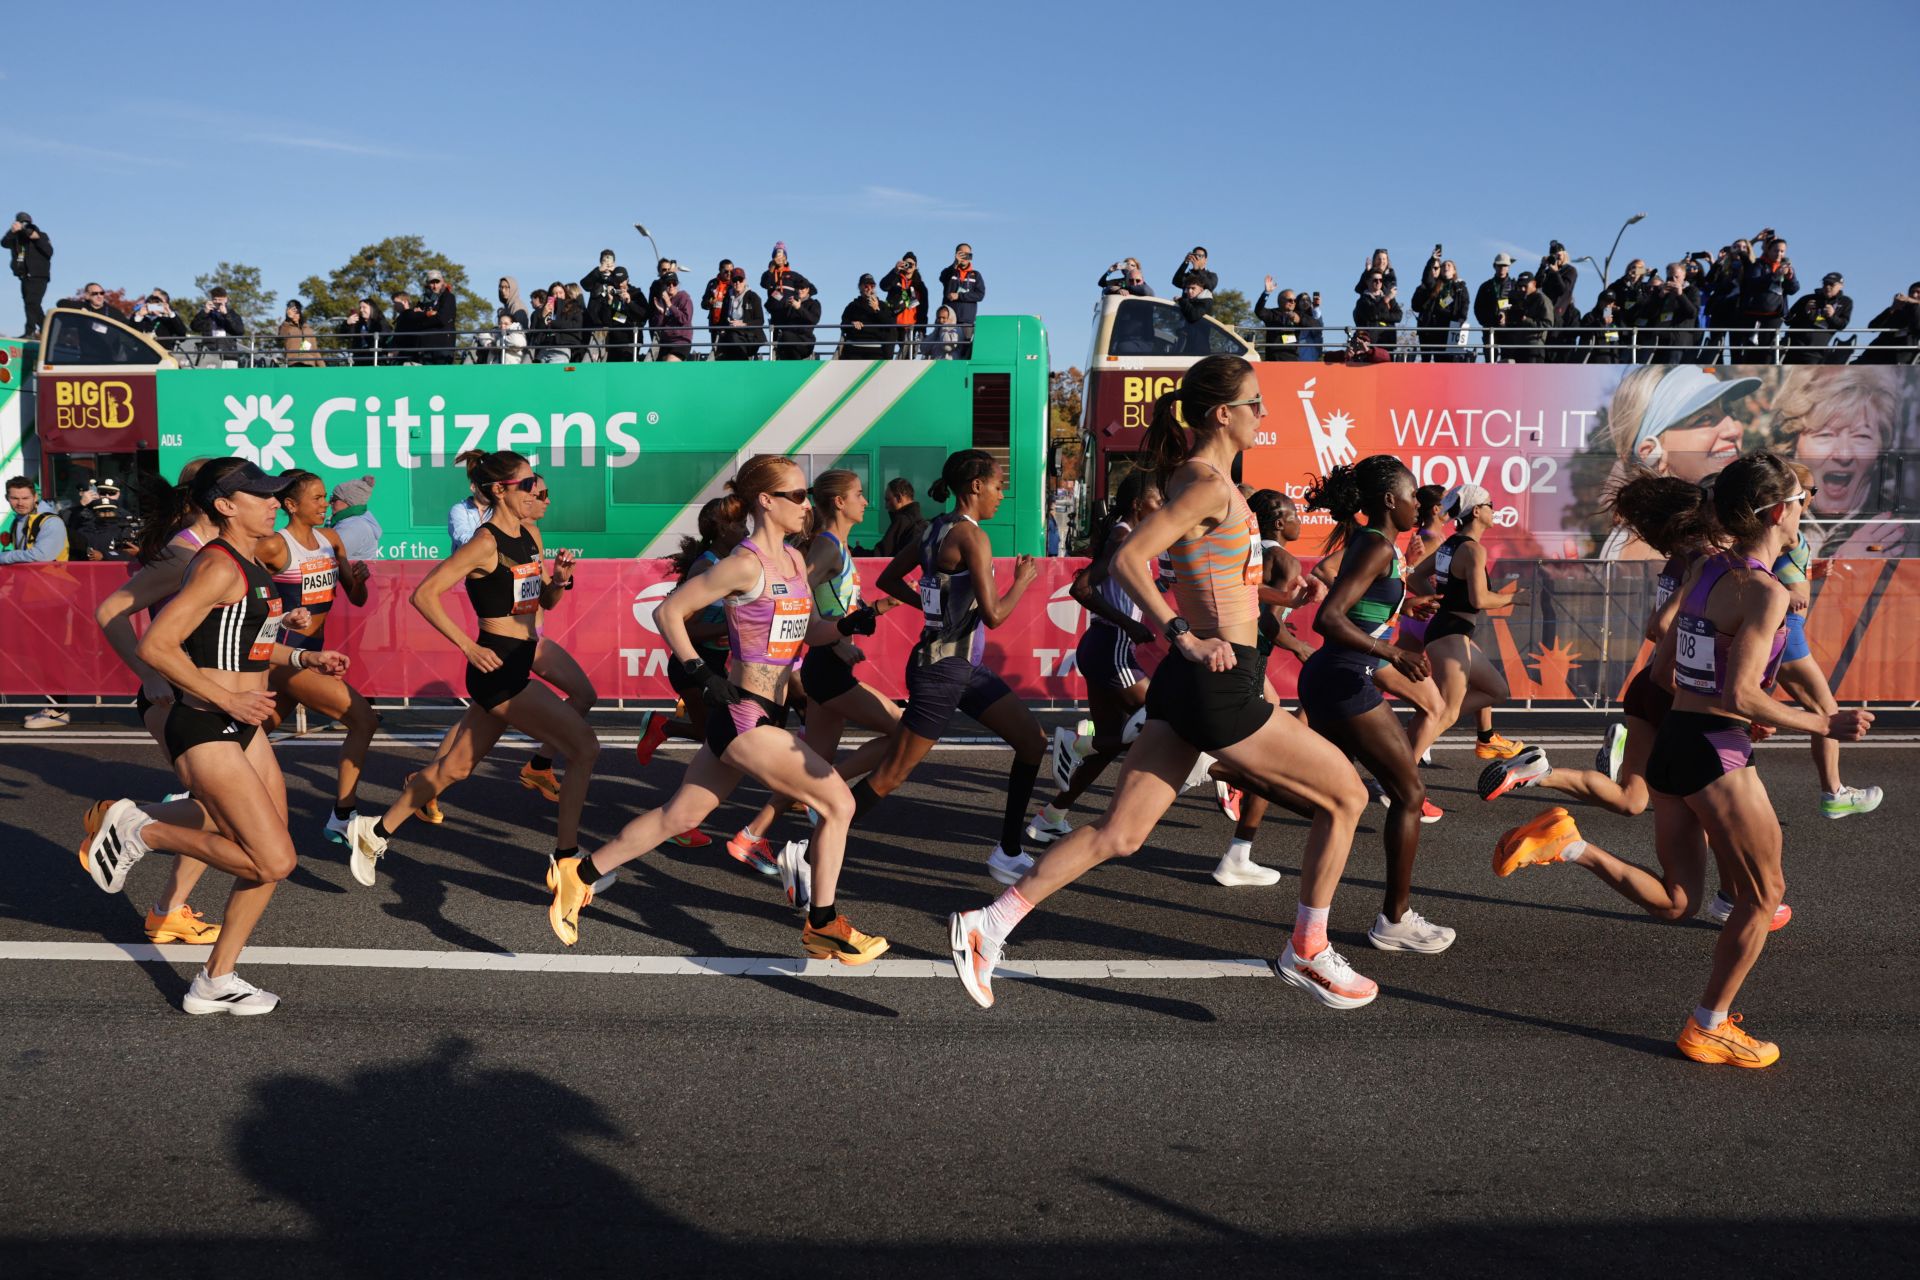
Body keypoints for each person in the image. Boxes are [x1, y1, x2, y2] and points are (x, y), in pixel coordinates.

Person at [946, 356, 1376, 1011]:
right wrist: (1182, 633)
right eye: (1256, 404)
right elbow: (1128, 558)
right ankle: (1309, 949)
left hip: (1192, 680)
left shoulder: (1203, 482)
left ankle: (989, 925)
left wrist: (1281, 594)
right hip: (1215, 680)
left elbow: (1216, 578)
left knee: (1120, 834)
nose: (1265, 415)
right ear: (1223, 415)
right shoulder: (1206, 485)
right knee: (1346, 796)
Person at [1494, 452, 1872, 1069]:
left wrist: (1732, 706)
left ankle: (1567, 844)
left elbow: (1667, 669)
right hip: (1713, 751)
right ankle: (1710, 1025)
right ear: (1778, 512)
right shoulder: (1764, 592)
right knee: (1763, 895)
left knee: (1678, 902)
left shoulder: (1706, 568)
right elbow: (1743, 694)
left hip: (1677, 740)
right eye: (1800, 501)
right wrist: (1820, 722)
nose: (1805, 508)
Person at [545, 455, 889, 963]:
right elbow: (669, 611)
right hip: (742, 712)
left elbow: (810, 631)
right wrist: (699, 673)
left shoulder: (796, 560)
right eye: (796, 496)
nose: (806, 505)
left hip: (769, 712)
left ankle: (581, 875)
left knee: (680, 815)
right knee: (839, 803)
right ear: (766, 502)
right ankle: (822, 924)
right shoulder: (744, 563)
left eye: (807, 494)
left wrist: (849, 623)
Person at [85, 458, 353, 1015]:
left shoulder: (251, 559)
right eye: (262, 496)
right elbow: (157, 644)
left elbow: (245, 642)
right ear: (226, 506)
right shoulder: (215, 564)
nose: (276, 503)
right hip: (204, 719)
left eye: (277, 495)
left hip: (242, 720)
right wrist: (222, 696)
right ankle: (143, 828)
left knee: (266, 841)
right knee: (273, 860)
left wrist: (302, 652)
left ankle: (216, 978)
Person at [343, 450, 599, 886]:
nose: (536, 491)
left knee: (454, 769)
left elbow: (539, 606)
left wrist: (557, 581)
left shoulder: (530, 536)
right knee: (585, 749)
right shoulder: (484, 543)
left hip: (519, 658)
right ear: (500, 490)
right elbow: (424, 594)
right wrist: (467, 645)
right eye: (527, 484)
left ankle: (374, 830)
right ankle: (567, 860)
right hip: (497, 668)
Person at [858, 449, 1047, 885]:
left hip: (964, 669)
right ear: (976, 486)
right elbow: (996, 615)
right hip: (942, 672)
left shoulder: (932, 529)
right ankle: (810, 852)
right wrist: (1021, 582)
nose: (1002, 495)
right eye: (999, 486)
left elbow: (888, 580)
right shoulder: (972, 538)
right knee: (890, 776)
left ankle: (1008, 851)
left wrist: (935, 608)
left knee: (1033, 742)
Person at [1481, 475, 1718, 818]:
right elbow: (1662, 625)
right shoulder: (1704, 564)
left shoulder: (1676, 562)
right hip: (1677, 688)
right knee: (1706, 808)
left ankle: (1538, 773)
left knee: (1631, 800)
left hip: (1651, 683)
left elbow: (1656, 626)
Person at [1298, 456, 1456, 952]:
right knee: (1407, 792)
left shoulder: (1376, 544)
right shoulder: (1374, 544)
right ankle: (1395, 919)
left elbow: (1361, 605)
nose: (1420, 506)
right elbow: (1329, 617)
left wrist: (1405, 605)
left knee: (1338, 798)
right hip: (1344, 680)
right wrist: (1392, 650)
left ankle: (1245, 780)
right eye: (1413, 497)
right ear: (1391, 500)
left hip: (1334, 679)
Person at [87, 459, 243, 944]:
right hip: (177, 697)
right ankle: (121, 819)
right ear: (212, 499)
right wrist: (148, 672)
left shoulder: (212, 549)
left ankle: (167, 907)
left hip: (211, 697)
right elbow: (110, 609)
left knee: (218, 809)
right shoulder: (183, 554)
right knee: (223, 811)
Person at [726, 470, 904, 865]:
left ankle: (751, 835)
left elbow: (830, 601)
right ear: (839, 502)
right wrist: (838, 642)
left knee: (811, 762)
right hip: (826, 666)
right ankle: (828, 792)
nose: (866, 501)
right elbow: (794, 595)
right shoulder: (825, 547)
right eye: (859, 494)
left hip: (828, 664)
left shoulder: (837, 545)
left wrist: (870, 611)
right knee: (904, 731)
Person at [1027, 471, 1166, 848]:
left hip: (1101, 646)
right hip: (1114, 647)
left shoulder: (1126, 535)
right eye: (1158, 500)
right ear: (1138, 504)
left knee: (1113, 740)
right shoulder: (1124, 536)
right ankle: (1076, 743)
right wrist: (1130, 626)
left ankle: (1050, 817)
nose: (1163, 507)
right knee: (1166, 719)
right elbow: (1081, 587)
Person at [253, 469, 379, 845]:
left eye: (326, 498)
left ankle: (198, 794)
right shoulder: (274, 546)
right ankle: (344, 813)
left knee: (254, 735)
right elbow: (242, 593)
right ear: (291, 505)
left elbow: (356, 598)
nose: (326, 505)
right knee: (364, 719)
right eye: (318, 499)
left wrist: (359, 579)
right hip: (283, 655)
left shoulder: (332, 539)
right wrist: (280, 615)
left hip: (311, 653)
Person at [1405, 484, 1523, 771]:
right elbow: (1479, 599)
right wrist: (1516, 598)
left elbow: (1416, 576)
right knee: (1445, 712)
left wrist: (1434, 600)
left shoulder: (1450, 544)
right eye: (1491, 504)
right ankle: (1398, 772)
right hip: (1450, 633)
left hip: (1452, 631)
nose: (1495, 510)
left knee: (1496, 691)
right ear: (1478, 511)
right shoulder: (1473, 550)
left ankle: (1426, 723)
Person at [1597, 366, 1760, 558]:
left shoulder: (1721, 529)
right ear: (1651, 454)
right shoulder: (1649, 549)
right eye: (1704, 418)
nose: (1733, 429)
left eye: (1729, 411)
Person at [1771, 365, 1907, 557]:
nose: (1844, 454)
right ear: (1792, 445)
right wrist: (1842, 570)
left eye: (1861, 436)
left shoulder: (1908, 531)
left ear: (1880, 450)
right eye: (1825, 434)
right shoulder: (1762, 525)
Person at [1735, 234, 1797, 363]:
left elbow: (1793, 290)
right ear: (1768, 251)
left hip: (1774, 315)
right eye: (1776, 250)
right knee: (1751, 348)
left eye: (1782, 251)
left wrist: (1790, 278)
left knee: (1768, 348)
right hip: (1753, 314)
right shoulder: (1758, 264)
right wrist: (1775, 275)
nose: (1779, 254)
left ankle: (1766, 372)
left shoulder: (1787, 266)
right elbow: (1753, 282)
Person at [1630, 263, 1701, 365]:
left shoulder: (1692, 290)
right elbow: (1647, 313)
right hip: (1659, 341)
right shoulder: (1660, 291)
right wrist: (1660, 296)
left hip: (1678, 343)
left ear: (1684, 276)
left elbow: (1692, 313)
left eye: (1676, 277)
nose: (1673, 280)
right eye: (1670, 277)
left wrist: (1680, 295)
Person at [1783, 273, 1852, 363]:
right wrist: (1805, 311)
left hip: (1816, 353)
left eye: (1831, 284)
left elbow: (1842, 325)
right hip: (1793, 348)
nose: (1827, 286)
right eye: (1825, 283)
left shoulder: (1845, 302)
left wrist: (1832, 316)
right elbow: (1788, 320)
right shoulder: (1807, 299)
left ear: (1841, 286)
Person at [4, 212, 52, 338]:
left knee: (31, 303)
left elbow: (48, 251)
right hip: (24, 276)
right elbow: (4, 243)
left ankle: (30, 331)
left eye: (25, 223)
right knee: (32, 305)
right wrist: (12, 231)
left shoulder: (40, 235)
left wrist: (26, 230)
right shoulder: (16, 239)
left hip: (38, 275)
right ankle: (48, 330)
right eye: (21, 222)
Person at [1412, 257, 1468, 361]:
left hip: (1449, 328)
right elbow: (1427, 279)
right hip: (1432, 327)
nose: (1445, 267)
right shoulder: (1435, 285)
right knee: (1427, 360)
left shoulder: (1459, 287)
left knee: (1445, 360)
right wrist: (1431, 260)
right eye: (1444, 266)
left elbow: (1464, 305)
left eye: (1449, 265)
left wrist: (1460, 321)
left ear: (1454, 270)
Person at [1851, 281, 1919, 365]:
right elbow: (1872, 327)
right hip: (1879, 351)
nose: (1914, 295)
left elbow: (1917, 327)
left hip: (1903, 355)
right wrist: (1893, 308)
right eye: (1912, 292)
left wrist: (1916, 305)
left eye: (1918, 292)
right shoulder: (1900, 310)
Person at [938, 243, 985, 357]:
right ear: (956, 255)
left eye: (967, 254)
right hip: (949, 322)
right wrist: (955, 263)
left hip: (966, 322)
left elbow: (980, 295)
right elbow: (942, 278)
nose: (964, 257)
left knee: (965, 353)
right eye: (961, 254)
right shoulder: (950, 271)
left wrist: (959, 296)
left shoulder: (976, 275)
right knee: (947, 352)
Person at [881, 253, 930, 357]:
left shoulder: (920, 285)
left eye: (911, 264)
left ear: (916, 266)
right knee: (887, 353)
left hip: (910, 326)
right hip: (893, 323)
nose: (909, 266)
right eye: (906, 263)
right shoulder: (895, 278)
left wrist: (922, 328)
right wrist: (895, 270)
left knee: (908, 356)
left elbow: (924, 309)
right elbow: (883, 286)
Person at [326, 474, 382, 563]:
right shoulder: (354, 521)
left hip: (353, 576)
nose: (329, 503)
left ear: (349, 502)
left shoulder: (353, 527)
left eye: (334, 499)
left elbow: (325, 556)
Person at [713, 268, 765, 361]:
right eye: (734, 280)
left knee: (733, 339)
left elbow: (760, 320)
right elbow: (723, 319)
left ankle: (743, 367)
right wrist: (723, 329)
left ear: (745, 281)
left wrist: (743, 323)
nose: (737, 283)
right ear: (731, 282)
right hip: (730, 335)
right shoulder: (727, 298)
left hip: (749, 335)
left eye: (740, 280)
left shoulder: (753, 297)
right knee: (723, 347)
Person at [838, 274, 894, 360]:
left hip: (875, 348)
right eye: (866, 286)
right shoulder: (852, 305)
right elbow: (843, 325)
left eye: (872, 286)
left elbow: (890, 324)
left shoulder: (882, 305)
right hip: (854, 347)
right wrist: (852, 323)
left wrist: (877, 309)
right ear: (860, 287)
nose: (869, 288)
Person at [1475, 254, 1518, 362]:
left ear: (1509, 267)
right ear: (1494, 266)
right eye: (1499, 265)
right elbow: (1478, 308)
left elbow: (1518, 306)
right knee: (1490, 362)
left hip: (1509, 330)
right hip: (1490, 329)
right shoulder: (1485, 286)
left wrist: (1507, 318)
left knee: (1508, 363)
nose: (1502, 268)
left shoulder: (1515, 286)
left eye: (1505, 265)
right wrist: (1488, 322)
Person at [872, 477, 926, 557]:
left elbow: (879, 555)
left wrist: (854, 551)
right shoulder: (920, 522)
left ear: (898, 498)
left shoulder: (902, 521)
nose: (886, 506)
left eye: (888, 500)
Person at [1505, 272, 1553, 363]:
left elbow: (1548, 324)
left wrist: (1526, 320)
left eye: (1525, 286)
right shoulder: (1519, 299)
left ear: (1534, 284)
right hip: (1519, 346)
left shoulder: (1542, 299)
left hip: (1534, 347)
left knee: (1532, 377)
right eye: (1519, 286)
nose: (1522, 289)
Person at [1351, 270, 1402, 354]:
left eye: (1381, 280)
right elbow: (1372, 314)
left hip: (1388, 344)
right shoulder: (1362, 301)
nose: (1378, 282)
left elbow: (1398, 316)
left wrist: (1379, 316)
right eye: (1375, 280)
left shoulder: (1389, 297)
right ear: (1367, 282)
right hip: (1369, 346)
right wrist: (1386, 300)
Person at [189, 287, 247, 360]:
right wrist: (204, 312)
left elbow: (239, 331)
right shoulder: (206, 314)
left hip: (228, 355)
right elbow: (194, 327)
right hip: (208, 355)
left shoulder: (232, 314)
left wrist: (226, 315)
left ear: (226, 299)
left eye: (220, 300)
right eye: (215, 299)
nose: (217, 302)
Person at [768, 282, 822, 360]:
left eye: (802, 288)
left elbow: (814, 320)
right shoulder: (791, 302)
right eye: (798, 288)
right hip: (787, 343)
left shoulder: (814, 304)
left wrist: (799, 308)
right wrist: (773, 286)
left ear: (808, 290)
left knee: (786, 337)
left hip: (805, 341)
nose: (800, 290)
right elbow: (776, 295)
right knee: (783, 341)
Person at [648, 273, 695, 361]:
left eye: (674, 283)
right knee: (658, 370)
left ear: (678, 284)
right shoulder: (662, 301)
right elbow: (658, 326)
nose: (671, 286)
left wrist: (670, 305)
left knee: (669, 363)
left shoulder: (684, 298)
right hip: (666, 342)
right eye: (668, 284)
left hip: (680, 341)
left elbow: (685, 319)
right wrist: (661, 312)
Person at [417, 271, 458, 364]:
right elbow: (415, 320)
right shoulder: (423, 300)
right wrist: (429, 314)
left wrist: (424, 315)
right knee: (425, 377)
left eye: (437, 282)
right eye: (432, 282)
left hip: (443, 347)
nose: (435, 286)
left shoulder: (449, 297)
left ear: (442, 281)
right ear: (428, 284)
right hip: (424, 347)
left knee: (442, 377)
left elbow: (442, 319)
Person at [339, 298, 388, 366]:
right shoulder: (357, 321)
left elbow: (384, 336)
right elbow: (344, 336)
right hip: (358, 357)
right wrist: (347, 323)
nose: (361, 310)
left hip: (375, 357)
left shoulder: (380, 321)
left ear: (372, 308)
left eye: (364, 307)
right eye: (360, 308)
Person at [277, 300, 321, 367]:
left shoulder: (308, 329)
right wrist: (287, 320)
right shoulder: (286, 326)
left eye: (296, 312)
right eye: (292, 312)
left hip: (309, 364)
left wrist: (323, 368)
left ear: (300, 313)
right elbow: (281, 336)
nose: (294, 315)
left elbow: (315, 351)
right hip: (293, 363)